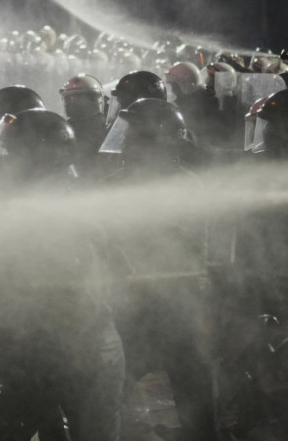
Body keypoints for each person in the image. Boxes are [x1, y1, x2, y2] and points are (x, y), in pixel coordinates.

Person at [0, 108, 125, 441]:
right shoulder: (38, 198)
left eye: (14, 154)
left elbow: (60, 299)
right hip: (58, 350)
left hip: (71, 352)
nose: (6, 162)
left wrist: (4, 354)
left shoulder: (61, 207)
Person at [98, 98, 217, 441]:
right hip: (172, 304)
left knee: (115, 384)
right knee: (191, 386)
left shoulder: (164, 185)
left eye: (134, 131)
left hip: (153, 305)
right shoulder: (184, 181)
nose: (126, 138)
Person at [59, 74, 107, 178]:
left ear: (94, 99)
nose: (73, 102)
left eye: (80, 98)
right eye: (70, 98)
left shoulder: (105, 126)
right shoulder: (65, 126)